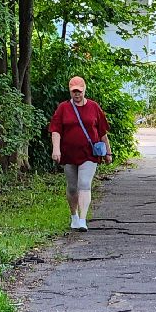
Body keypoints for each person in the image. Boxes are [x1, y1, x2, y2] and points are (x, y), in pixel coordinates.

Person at [49, 76, 111, 230]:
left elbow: (102, 132)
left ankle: (83, 220)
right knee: (72, 187)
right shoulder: (63, 108)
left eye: (79, 91)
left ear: (84, 90)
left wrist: (108, 152)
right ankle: (74, 215)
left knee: (84, 184)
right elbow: (55, 130)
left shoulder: (94, 107)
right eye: (74, 91)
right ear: (70, 91)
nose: (77, 94)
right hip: (69, 154)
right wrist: (56, 149)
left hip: (89, 153)